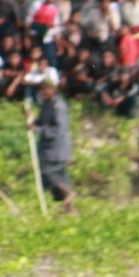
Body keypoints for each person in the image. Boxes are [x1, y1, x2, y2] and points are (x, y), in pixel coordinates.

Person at [30, 74, 77, 212]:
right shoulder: (46, 104)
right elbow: (42, 123)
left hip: (56, 150)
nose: (43, 92)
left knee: (50, 174)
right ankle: (71, 210)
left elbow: (58, 130)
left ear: (53, 90)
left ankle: (69, 194)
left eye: (46, 89)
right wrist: (33, 121)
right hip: (47, 149)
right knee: (54, 179)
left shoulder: (59, 106)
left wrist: (38, 129)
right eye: (42, 89)